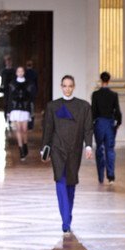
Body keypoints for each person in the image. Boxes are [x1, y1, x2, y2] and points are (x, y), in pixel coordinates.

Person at [41, 75, 93, 234]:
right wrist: (44, 148)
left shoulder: (83, 106)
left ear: (74, 87)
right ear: (61, 87)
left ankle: (67, 216)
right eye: (65, 86)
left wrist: (88, 146)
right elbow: (48, 128)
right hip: (57, 149)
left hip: (74, 149)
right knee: (60, 180)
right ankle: (65, 221)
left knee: (71, 183)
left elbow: (88, 128)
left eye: (70, 86)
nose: (67, 89)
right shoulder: (53, 106)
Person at [91, 71, 122, 184]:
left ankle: (100, 177)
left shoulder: (95, 94)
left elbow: (93, 111)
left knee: (99, 148)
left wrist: (92, 124)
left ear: (101, 80)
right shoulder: (113, 95)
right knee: (110, 150)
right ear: (109, 80)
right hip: (109, 124)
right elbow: (117, 111)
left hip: (99, 123)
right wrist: (118, 123)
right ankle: (111, 176)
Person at [6, 66, 36, 161]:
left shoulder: (29, 83)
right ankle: (21, 148)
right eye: (18, 71)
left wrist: (31, 110)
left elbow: (31, 97)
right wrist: (9, 110)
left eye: (21, 71)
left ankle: (25, 143)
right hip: (15, 108)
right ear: (16, 73)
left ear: (24, 72)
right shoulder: (12, 84)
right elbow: (10, 97)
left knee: (24, 129)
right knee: (18, 129)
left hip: (25, 108)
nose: (20, 72)